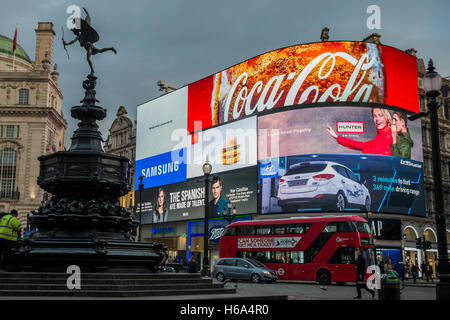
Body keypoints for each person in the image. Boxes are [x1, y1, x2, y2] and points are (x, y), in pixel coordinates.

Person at [327, 108, 393, 156]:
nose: (377, 118)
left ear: (386, 117)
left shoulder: (391, 134)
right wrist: (337, 137)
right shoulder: (377, 140)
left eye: (380, 115)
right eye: (374, 116)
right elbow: (358, 144)